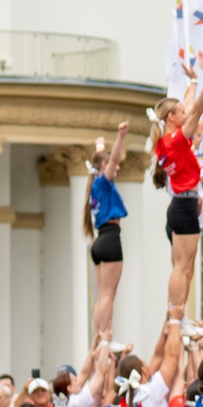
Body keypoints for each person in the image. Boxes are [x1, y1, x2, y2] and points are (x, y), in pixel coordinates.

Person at [151, 65, 203, 312]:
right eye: (180, 113)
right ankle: (176, 313)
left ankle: (179, 313)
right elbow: (196, 110)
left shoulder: (166, 140)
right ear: (171, 119)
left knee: (184, 266)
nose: (185, 114)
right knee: (182, 266)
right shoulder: (175, 141)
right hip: (184, 205)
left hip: (182, 204)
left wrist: (195, 81)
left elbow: (187, 107)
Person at [83, 124, 130, 341]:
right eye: (112, 165)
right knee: (108, 296)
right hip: (110, 239)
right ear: (104, 165)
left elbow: (105, 160)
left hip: (100, 240)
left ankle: (98, 335)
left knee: (102, 295)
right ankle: (105, 335)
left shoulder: (94, 184)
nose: (117, 168)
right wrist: (120, 136)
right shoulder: (103, 181)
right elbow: (113, 160)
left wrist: (99, 145)